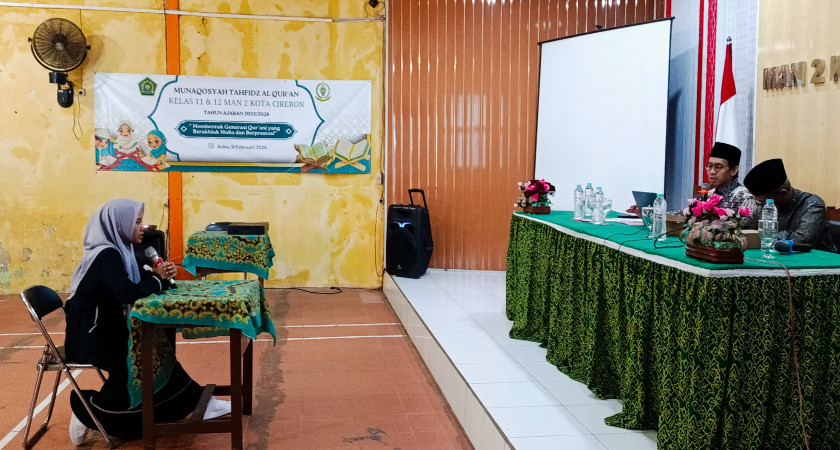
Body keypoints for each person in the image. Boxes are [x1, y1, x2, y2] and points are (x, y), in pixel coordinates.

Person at [64, 199, 230, 445]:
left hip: (105, 330)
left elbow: (136, 281)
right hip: (91, 337)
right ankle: (87, 411)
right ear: (119, 224)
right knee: (140, 359)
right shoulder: (106, 255)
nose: (142, 227)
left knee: (155, 348)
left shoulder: (119, 251)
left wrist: (160, 275)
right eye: (137, 222)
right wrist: (158, 279)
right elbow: (128, 292)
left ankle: (195, 401)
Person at [743, 158, 836, 252]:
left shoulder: (813, 205)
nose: (762, 207)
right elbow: (746, 226)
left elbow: (802, 240)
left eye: (763, 203)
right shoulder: (765, 205)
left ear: (783, 193)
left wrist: (766, 235)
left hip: (820, 259)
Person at [705, 142, 758, 227]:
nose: (712, 172)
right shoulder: (709, 195)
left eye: (718, 167)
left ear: (733, 170)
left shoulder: (745, 197)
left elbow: (745, 228)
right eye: (709, 166)